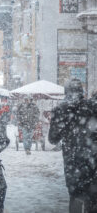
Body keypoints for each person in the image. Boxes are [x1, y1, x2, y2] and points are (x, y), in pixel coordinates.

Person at [49, 79, 97, 213]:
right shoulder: (91, 106)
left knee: (75, 196)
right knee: (92, 197)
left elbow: (52, 139)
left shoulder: (60, 110)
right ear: (82, 91)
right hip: (92, 160)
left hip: (72, 161)